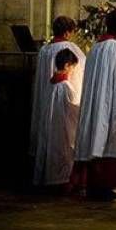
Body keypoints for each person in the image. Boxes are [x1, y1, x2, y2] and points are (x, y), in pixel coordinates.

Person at [75, 9, 116, 200]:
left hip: (94, 102)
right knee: (107, 142)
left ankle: (93, 185)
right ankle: (104, 186)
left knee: (95, 139)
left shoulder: (95, 48)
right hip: (109, 104)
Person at [30, 16, 85, 170]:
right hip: (66, 103)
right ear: (67, 32)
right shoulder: (72, 49)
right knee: (65, 140)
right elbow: (82, 74)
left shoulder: (44, 50)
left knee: (49, 137)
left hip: (47, 101)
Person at [32, 48, 81, 190]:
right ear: (67, 66)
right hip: (61, 127)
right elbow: (74, 107)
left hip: (50, 124)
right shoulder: (65, 86)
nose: (72, 71)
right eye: (72, 67)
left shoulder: (51, 83)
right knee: (63, 151)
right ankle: (60, 182)